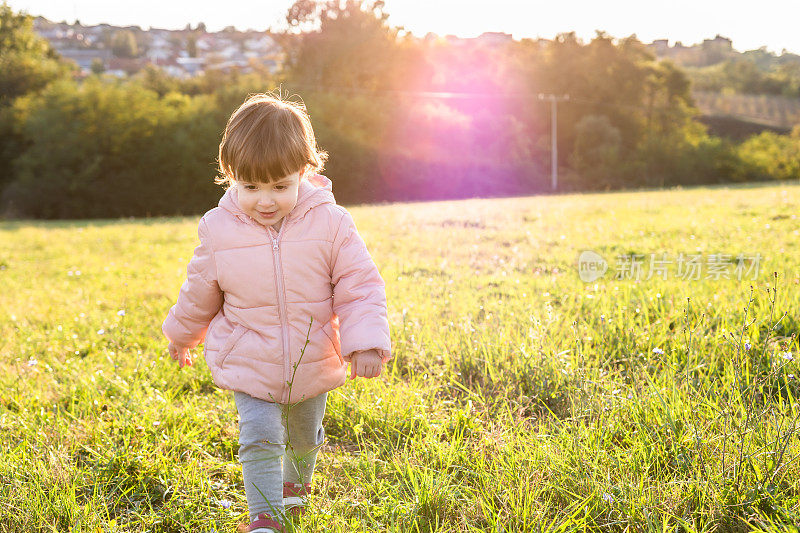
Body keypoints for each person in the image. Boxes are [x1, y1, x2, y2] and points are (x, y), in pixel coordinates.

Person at [161, 93, 392, 533]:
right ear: (229, 175)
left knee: (305, 437)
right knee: (260, 437)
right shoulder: (218, 229)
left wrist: (365, 344)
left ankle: (295, 486)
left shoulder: (332, 222)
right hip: (249, 357)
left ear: (304, 171)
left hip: (313, 357)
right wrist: (182, 333)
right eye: (250, 187)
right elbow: (199, 291)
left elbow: (359, 284)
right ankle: (265, 518)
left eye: (279, 186)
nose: (264, 200)